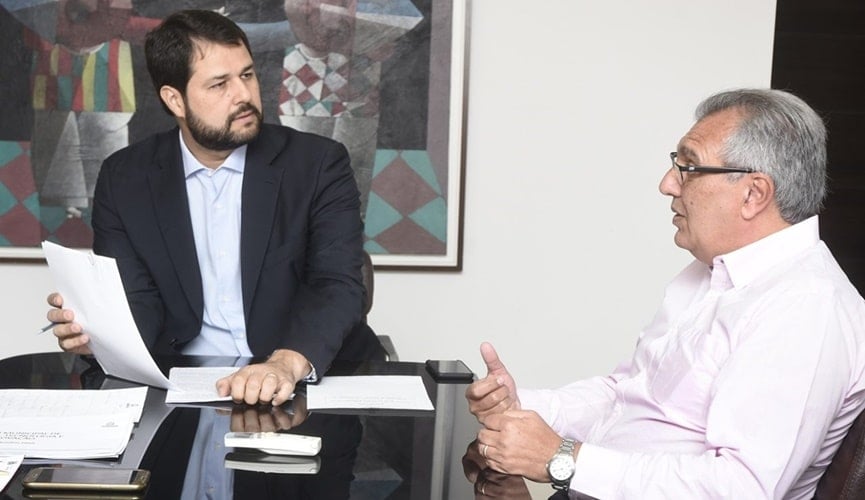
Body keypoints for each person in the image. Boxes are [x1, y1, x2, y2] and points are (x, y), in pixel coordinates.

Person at [465, 88, 865, 499]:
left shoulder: (805, 306)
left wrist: (562, 459)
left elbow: (741, 488)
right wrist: (523, 409)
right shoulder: (708, 273)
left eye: (688, 167)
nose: (667, 184)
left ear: (753, 194)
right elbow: (626, 395)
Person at [45, 9, 384, 406]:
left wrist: (286, 364)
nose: (243, 95)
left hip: (302, 384)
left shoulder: (318, 164)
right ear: (175, 100)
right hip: (180, 386)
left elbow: (337, 284)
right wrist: (98, 335)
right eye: (219, 84)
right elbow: (136, 299)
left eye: (247, 74)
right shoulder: (125, 178)